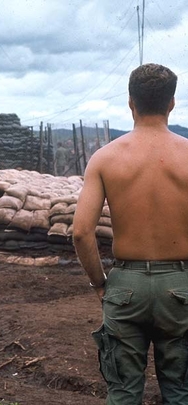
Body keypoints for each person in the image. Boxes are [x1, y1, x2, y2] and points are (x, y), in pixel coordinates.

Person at [73, 63, 188, 404]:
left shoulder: (105, 158)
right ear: (171, 103)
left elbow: (81, 232)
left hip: (126, 287)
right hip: (181, 287)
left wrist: (99, 283)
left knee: (123, 392)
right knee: (181, 392)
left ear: (130, 102)